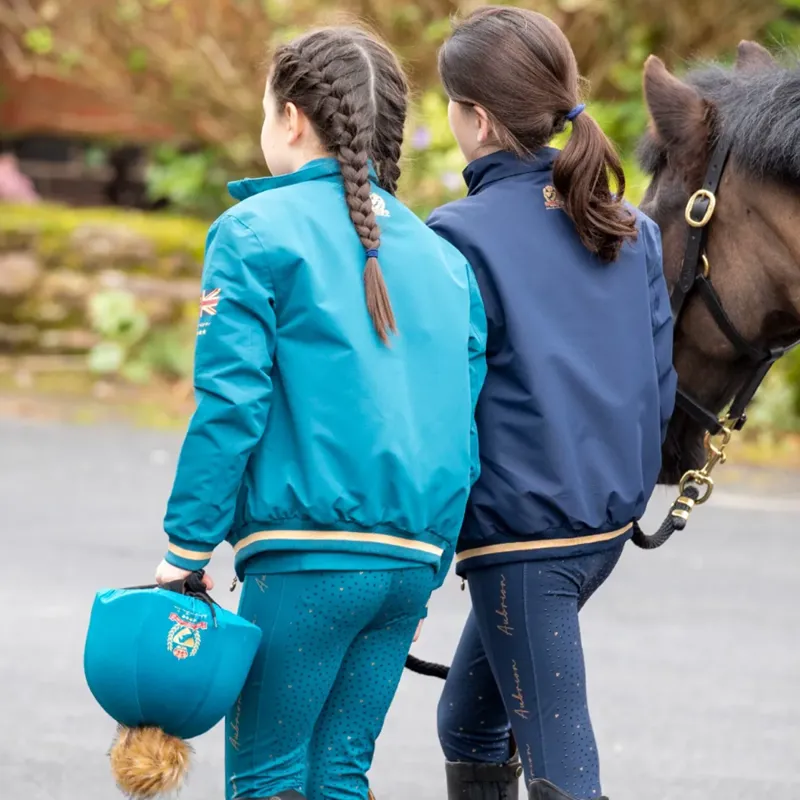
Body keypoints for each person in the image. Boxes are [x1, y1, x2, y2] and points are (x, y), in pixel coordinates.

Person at [152, 25, 487, 800]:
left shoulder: (250, 232)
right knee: (339, 774)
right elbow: (460, 423)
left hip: (304, 557)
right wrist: (431, 553)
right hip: (408, 563)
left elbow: (231, 405)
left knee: (268, 780)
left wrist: (184, 552)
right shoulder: (446, 260)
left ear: (294, 119)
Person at [427, 8, 676, 800]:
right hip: (600, 526)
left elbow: (444, 403)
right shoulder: (628, 225)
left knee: (562, 772)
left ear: (476, 117)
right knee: (468, 723)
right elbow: (659, 382)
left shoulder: (456, 236)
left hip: (523, 544)